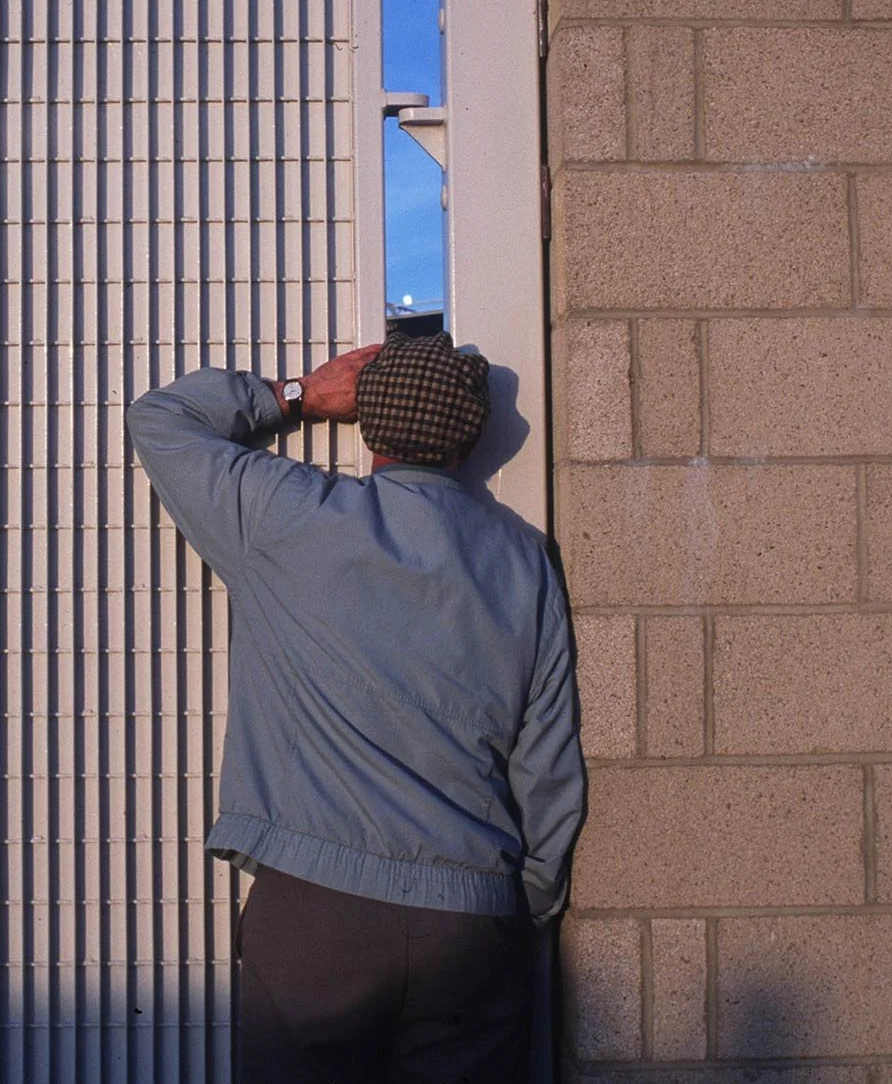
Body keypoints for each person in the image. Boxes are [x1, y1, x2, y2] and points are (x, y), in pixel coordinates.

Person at [125, 331, 586, 1084]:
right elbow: (550, 763)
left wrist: (300, 394)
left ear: (368, 425)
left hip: (315, 921)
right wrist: (512, 907)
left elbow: (162, 418)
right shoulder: (523, 559)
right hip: (470, 925)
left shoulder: (283, 516)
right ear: (470, 443)